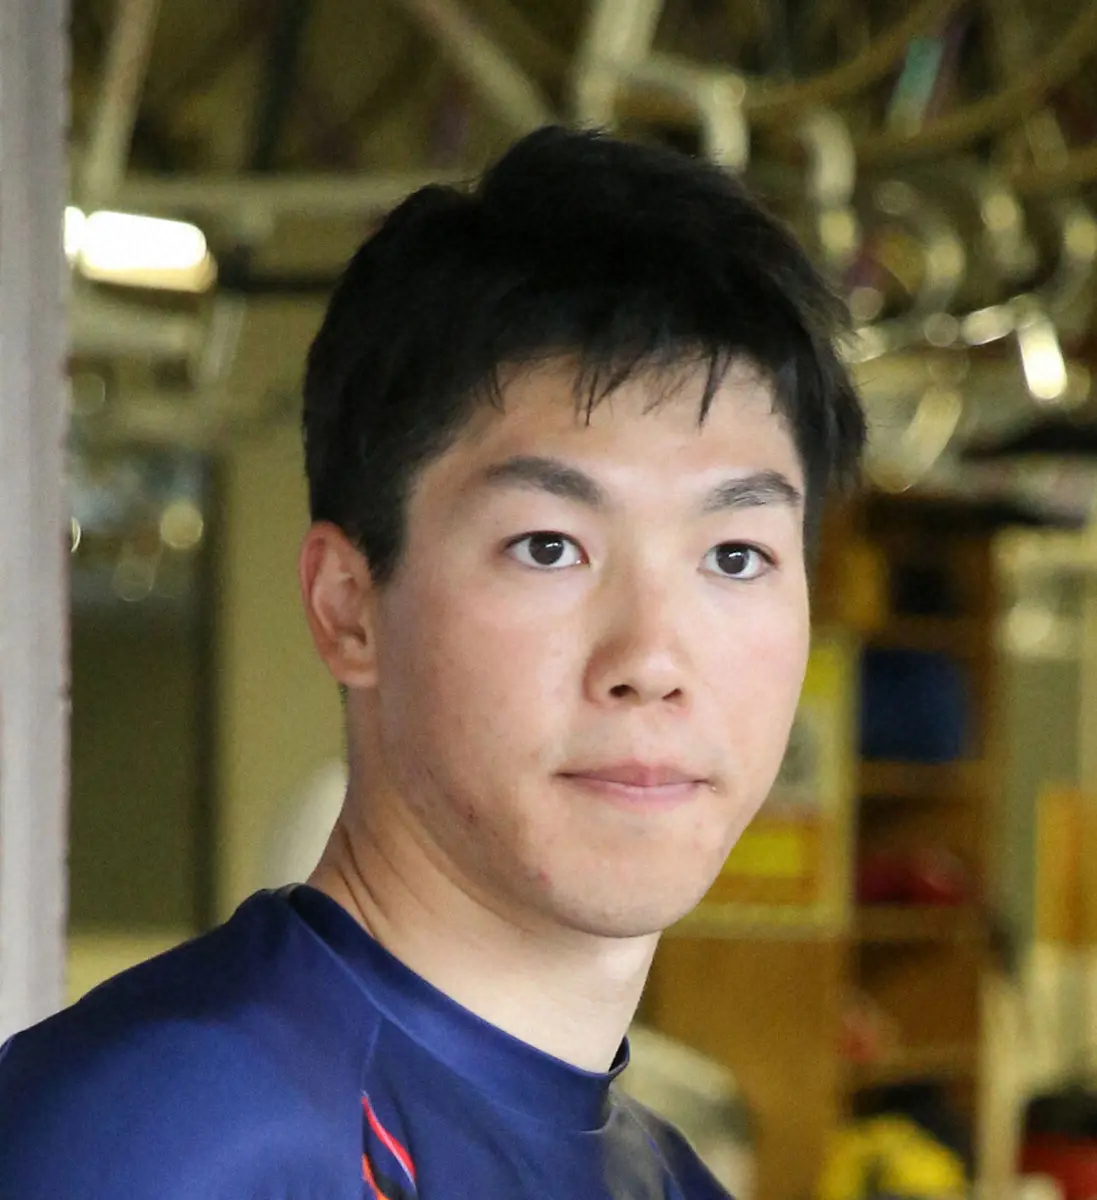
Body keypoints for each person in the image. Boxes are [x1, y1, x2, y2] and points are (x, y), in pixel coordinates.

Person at [0, 126, 864, 1198]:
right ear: (347, 607)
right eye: (547, 546)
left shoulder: (670, 1179)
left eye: (734, 556)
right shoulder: (166, 1138)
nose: (650, 659)